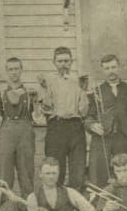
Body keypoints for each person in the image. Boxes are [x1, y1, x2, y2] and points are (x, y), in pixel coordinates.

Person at [38, 47, 90, 190]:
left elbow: (84, 112)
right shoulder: (48, 82)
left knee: (77, 170)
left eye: (66, 61)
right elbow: (45, 110)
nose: (63, 64)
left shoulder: (78, 82)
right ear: (54, 63)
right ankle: (57, 204)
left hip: (75, 127)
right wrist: (44, 90)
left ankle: (76, 205)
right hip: (57, 127)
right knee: (55, 169)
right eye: (60, 61)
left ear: (71, 62)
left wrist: (84, 92)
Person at [0, 57, 42, 196]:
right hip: (6, 132)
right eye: (10, 69)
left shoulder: (29, 93)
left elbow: (38, 118)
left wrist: (36, 102)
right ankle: (4, 205)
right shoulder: (1, 93)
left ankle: (28, 207)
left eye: (16, 69)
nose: (14, 72)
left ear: (21, 70)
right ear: (6, 72)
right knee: (4, 172)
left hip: (25, 132)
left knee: (26, 172)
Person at [85, 54, 127, 188]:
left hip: (123, 137)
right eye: (107, 68)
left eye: (113, 67)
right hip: (103, 138)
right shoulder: (96, 92)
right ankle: (101, 205)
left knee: (124, 174)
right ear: (103, 70)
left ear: (119, 67)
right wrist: (92, 125)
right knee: (99, 174)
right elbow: (88, 117)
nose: (111, 71)